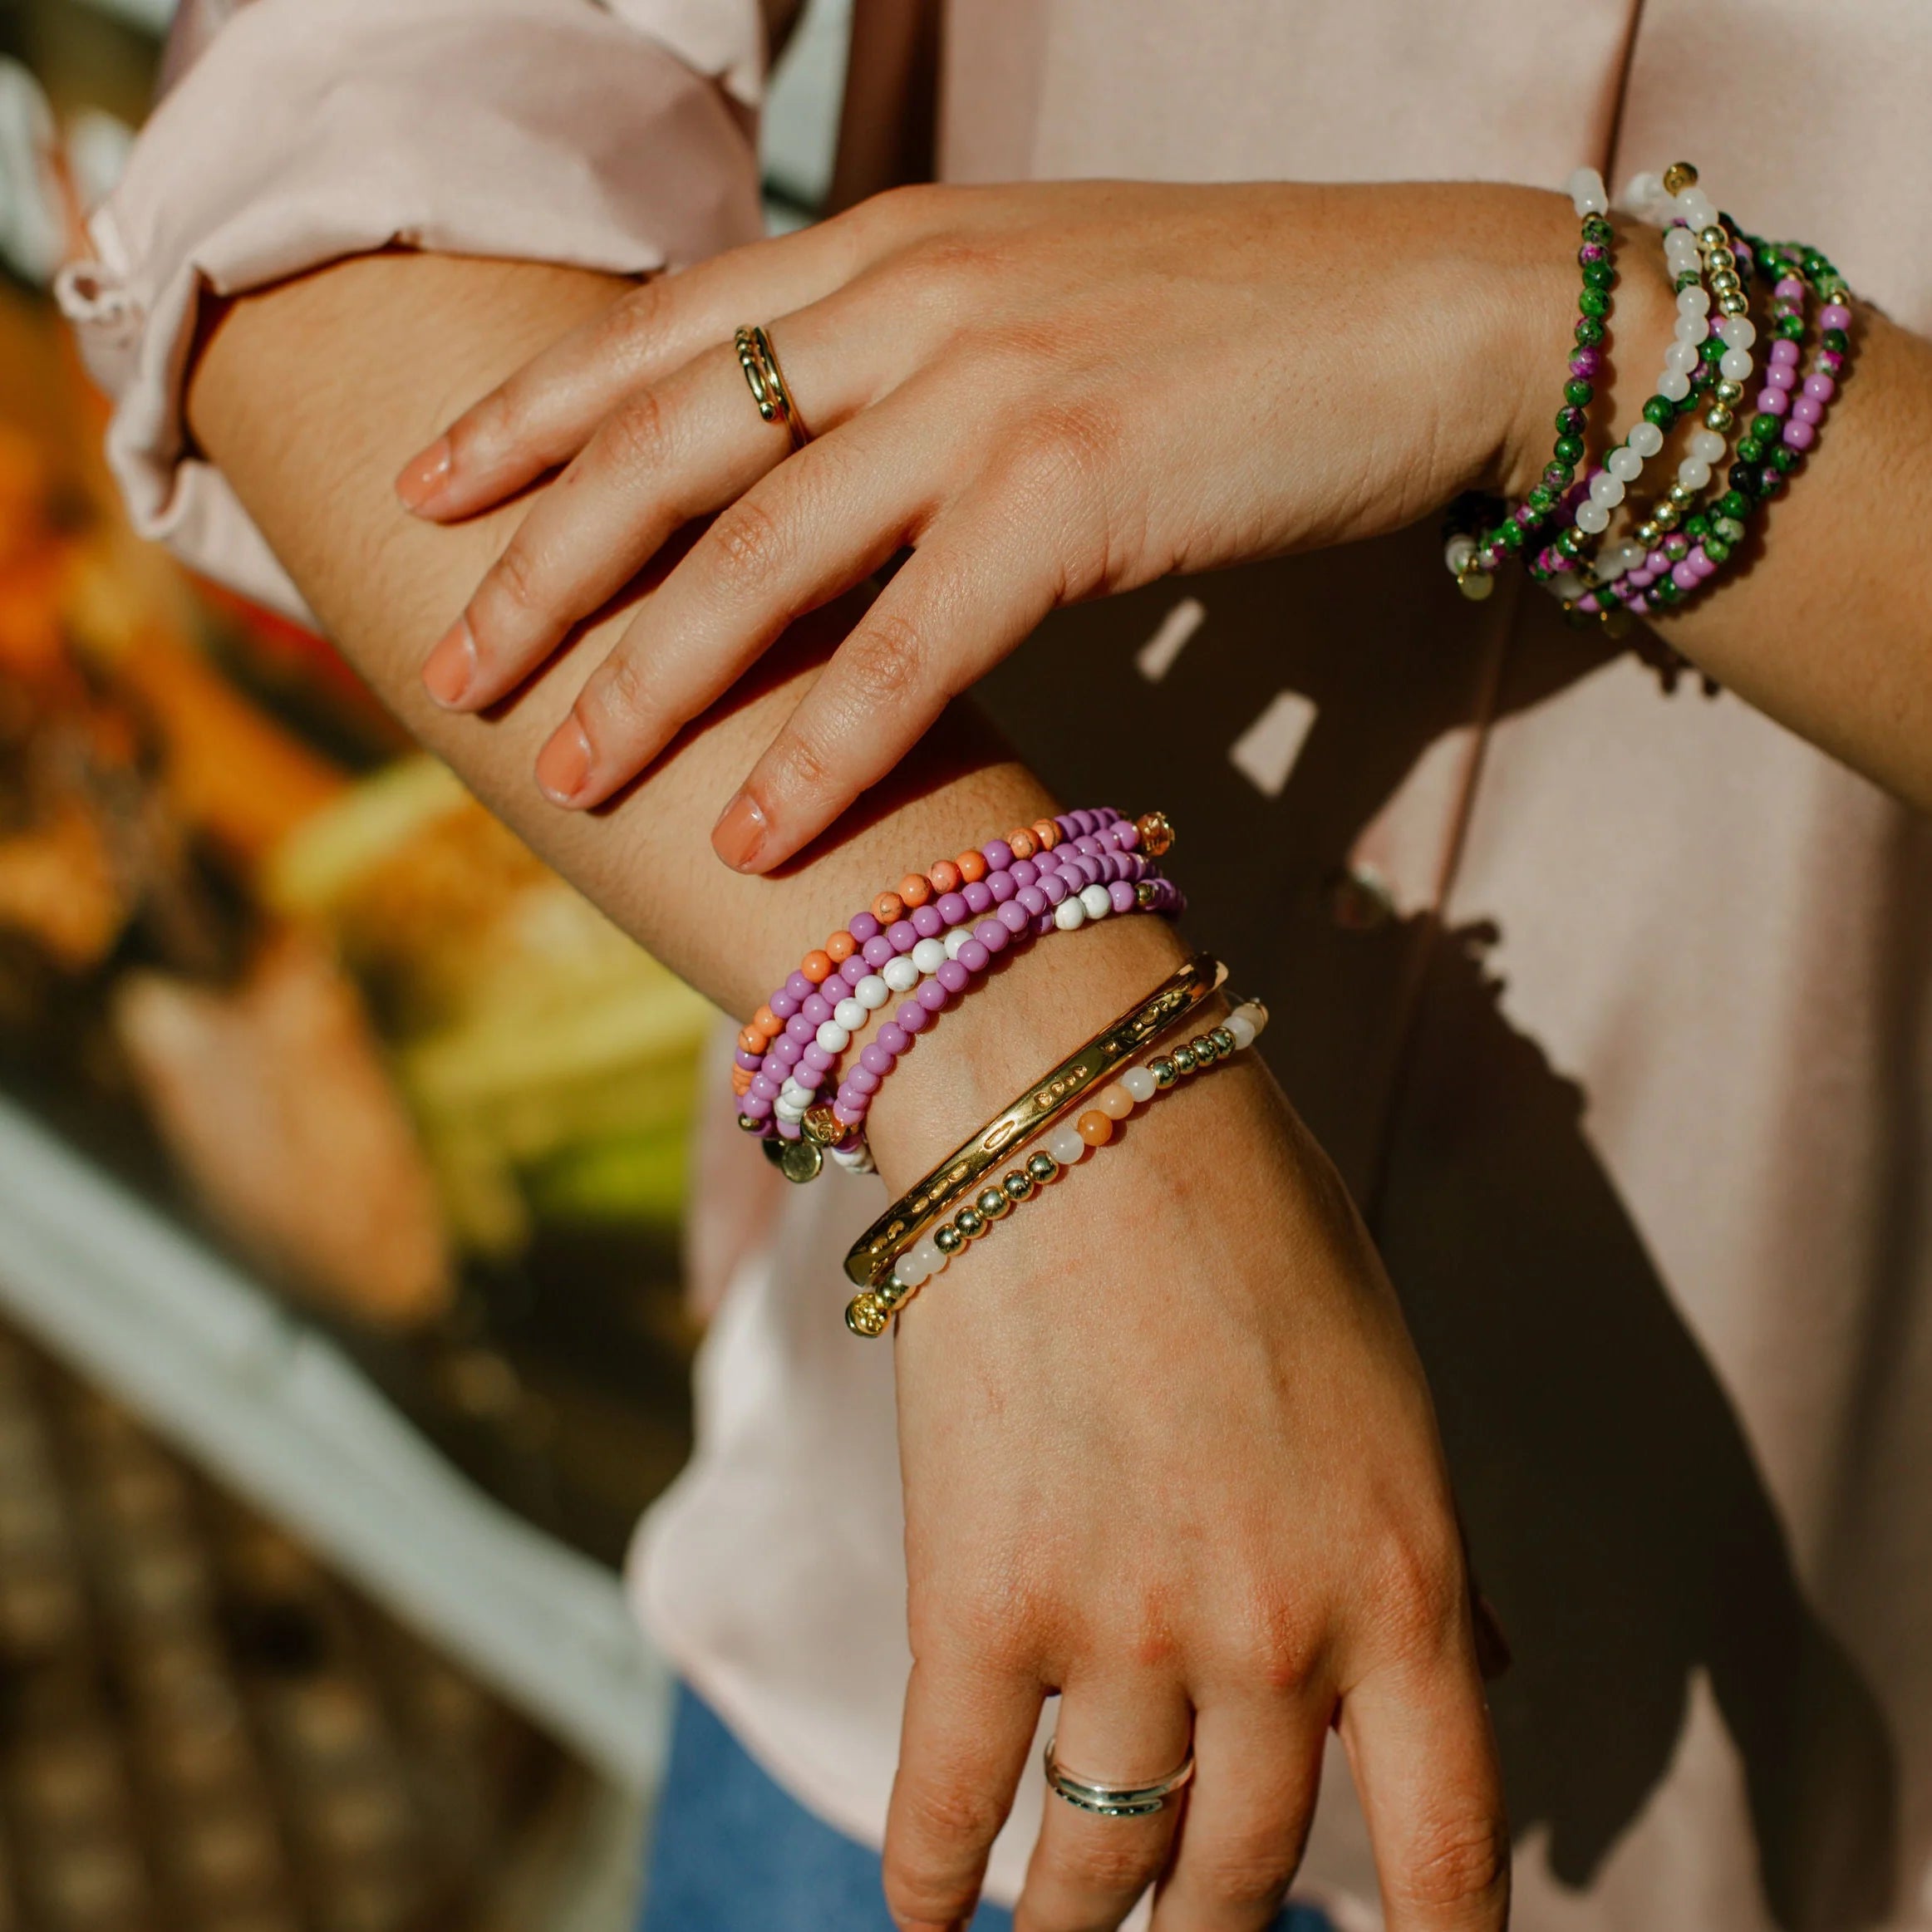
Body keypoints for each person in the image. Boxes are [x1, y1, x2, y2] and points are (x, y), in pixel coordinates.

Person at [58, 2, 1932, 1928]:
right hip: (927, 1609)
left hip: (1799, 1777)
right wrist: (1033, 1054)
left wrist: (1566, 354)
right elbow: (335, 154)